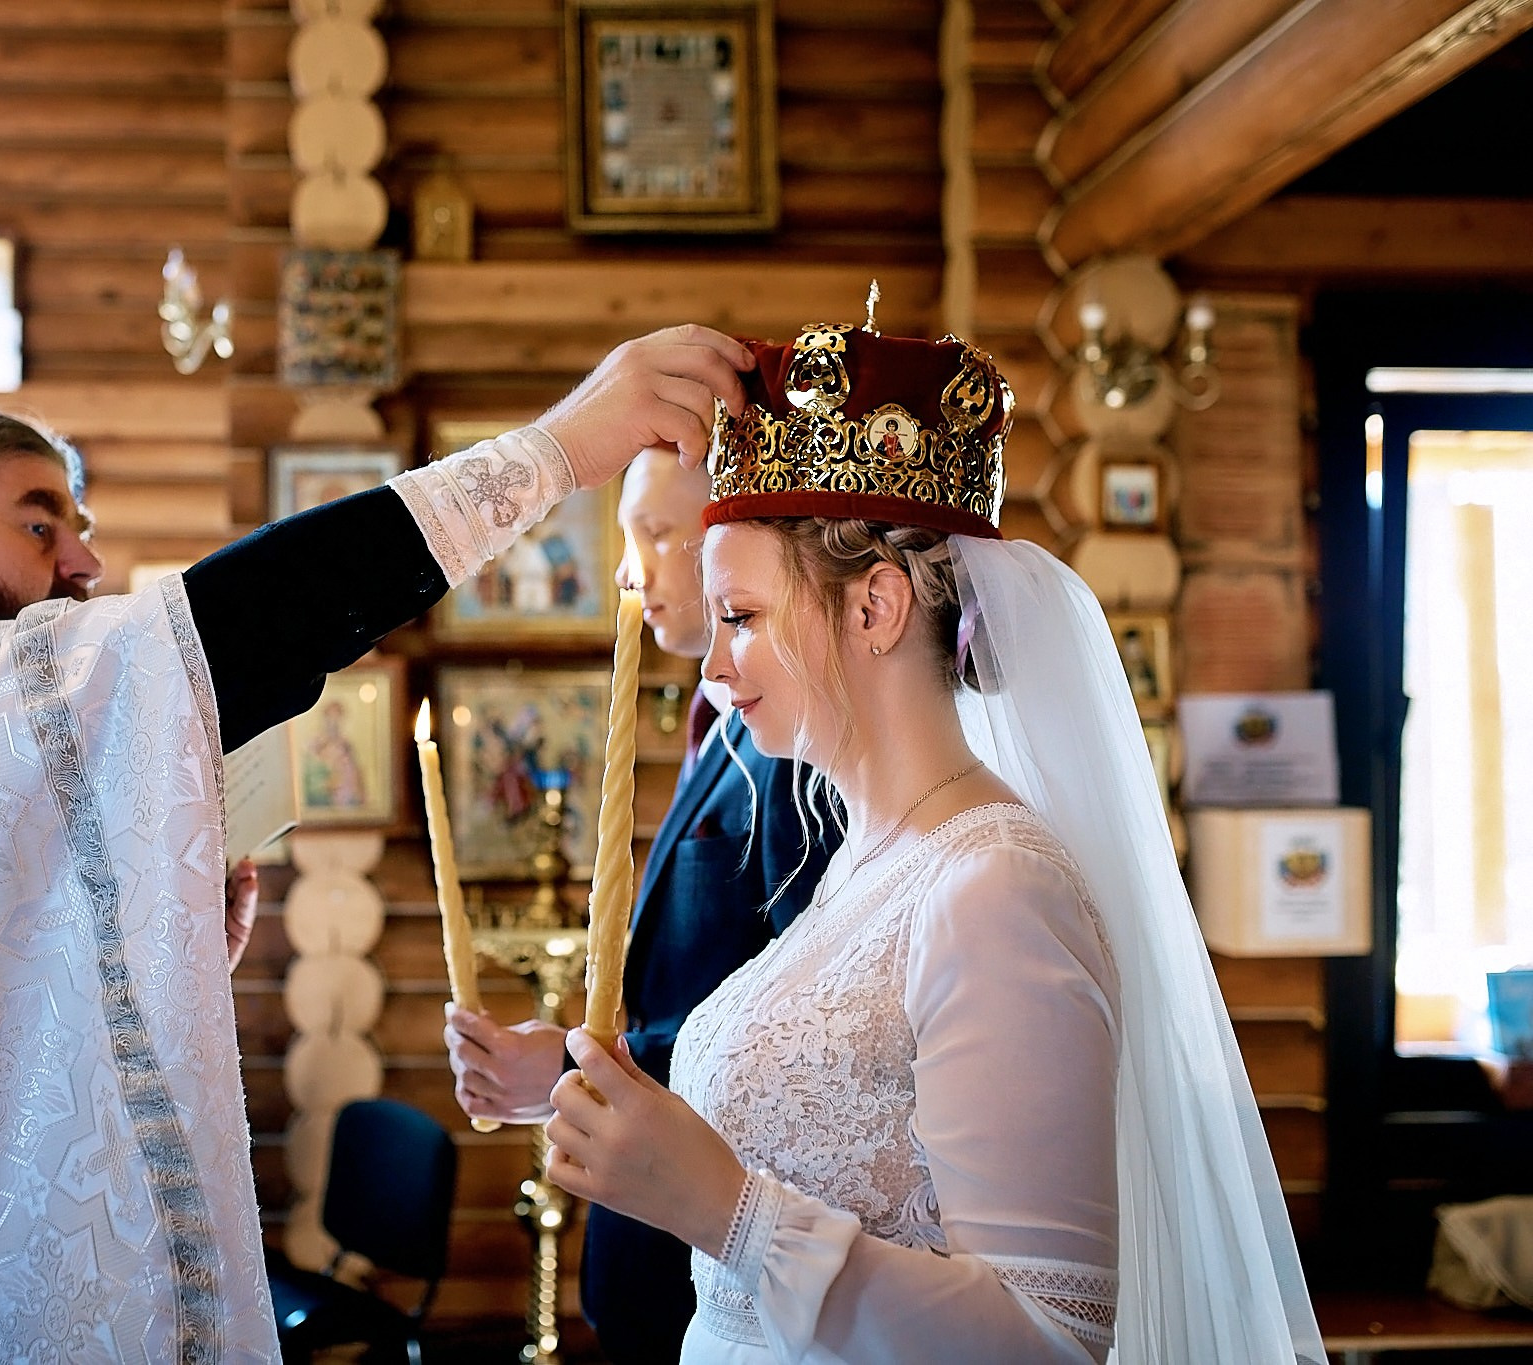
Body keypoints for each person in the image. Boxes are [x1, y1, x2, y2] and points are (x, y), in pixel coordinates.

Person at [0, 326, 755, 1364]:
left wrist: (163, 947)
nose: (84, 560)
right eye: (39, 523)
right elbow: (253, 620)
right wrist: (561, 447)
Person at [539, 323, 1324, 1363]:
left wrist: (722, 1210)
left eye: (739, 616)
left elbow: (1049, 1339)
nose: (711, 671)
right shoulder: (862, 864)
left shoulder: (995, 889)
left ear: (873, 603)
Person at [444, 448, 837, 1363]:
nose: (628, 569)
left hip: (716, 1246)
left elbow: (805, 1011)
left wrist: (584, 1068)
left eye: (658, 533)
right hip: (654, 1246)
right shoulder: (723, 727)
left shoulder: (793, 757)